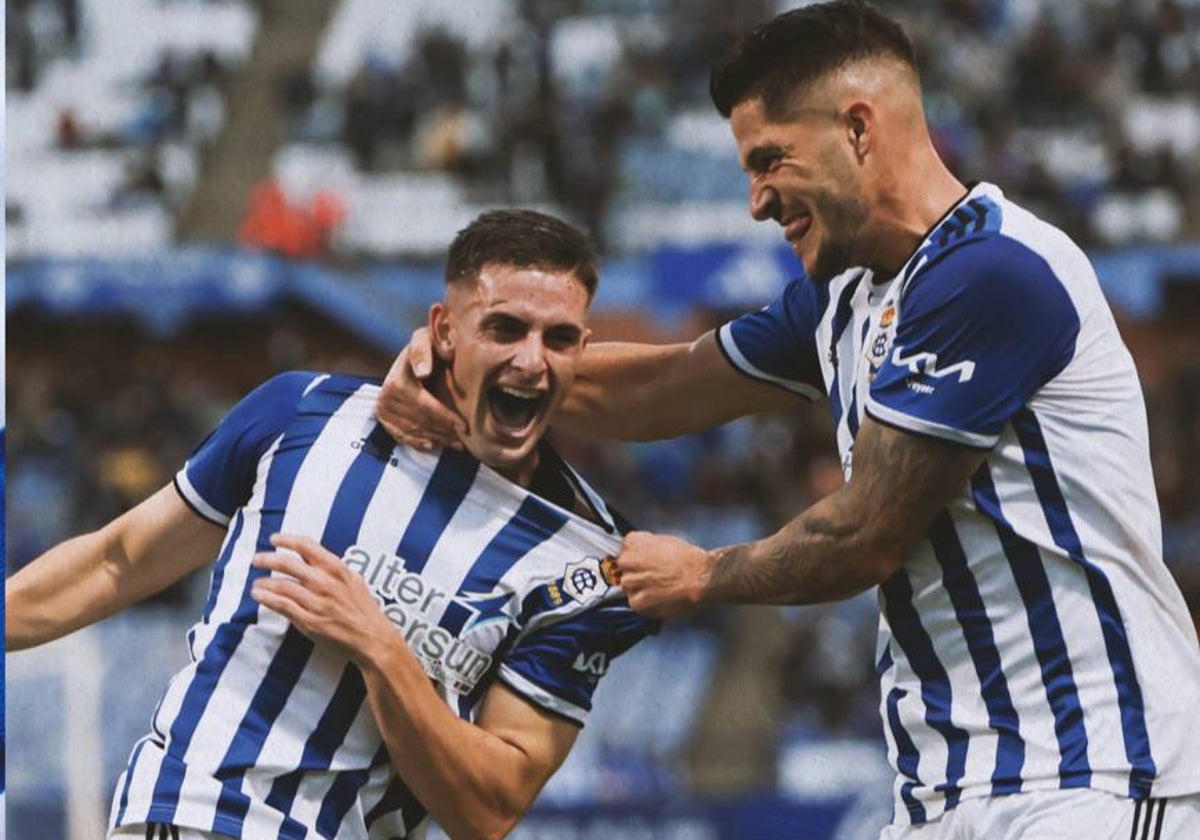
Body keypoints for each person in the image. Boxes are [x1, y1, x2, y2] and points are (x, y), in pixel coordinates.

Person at [375, 3, 1200, 838]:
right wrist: (468, 363)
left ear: (858, 128)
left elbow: (867, 532)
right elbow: (668, 385)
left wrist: (704, 574)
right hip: (950, 794)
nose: (757, 201)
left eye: (769, 161)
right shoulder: (845, 299)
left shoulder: (992, 272)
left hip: (1092, 772)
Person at [6, 209, 657, 840]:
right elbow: (117, 560)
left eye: (559, 338)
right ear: (445, 329)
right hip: (198, 817)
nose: (532, 360)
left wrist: (380, 648)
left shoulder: (588, 565)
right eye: (506, 328)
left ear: (584, 352)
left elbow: (486, 813)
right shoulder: (304, 412)